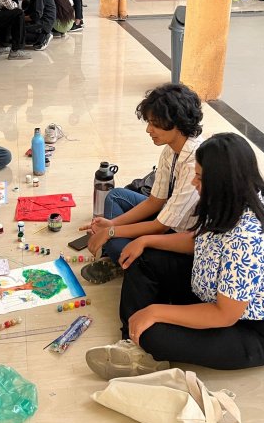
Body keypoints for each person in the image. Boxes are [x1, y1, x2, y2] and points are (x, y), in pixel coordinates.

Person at [85, 133, 264, 378]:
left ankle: (141, 341)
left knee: (154, 332)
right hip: (213, 293)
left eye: (199, 177)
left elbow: (224, 314)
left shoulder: (248, 238)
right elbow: (200, 240)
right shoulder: (232, 199)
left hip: (253, 330)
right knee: (143, 258)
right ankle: (131, 340)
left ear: (222, 180)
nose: (193, 182)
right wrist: (145, 240)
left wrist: (156, 311)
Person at [79, 83, 203, 284]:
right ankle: (124, 257)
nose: (148, 129)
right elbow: (154, 202)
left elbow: (160, 228)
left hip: (179, 238)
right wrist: (112, 224)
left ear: (176, 122)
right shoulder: (171, 149)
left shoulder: (194, 163)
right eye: (149, 122)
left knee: (120, 244)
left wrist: (110, 232)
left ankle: (127, 260)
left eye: (155, 123)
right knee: (115, 196)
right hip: (167, 219)